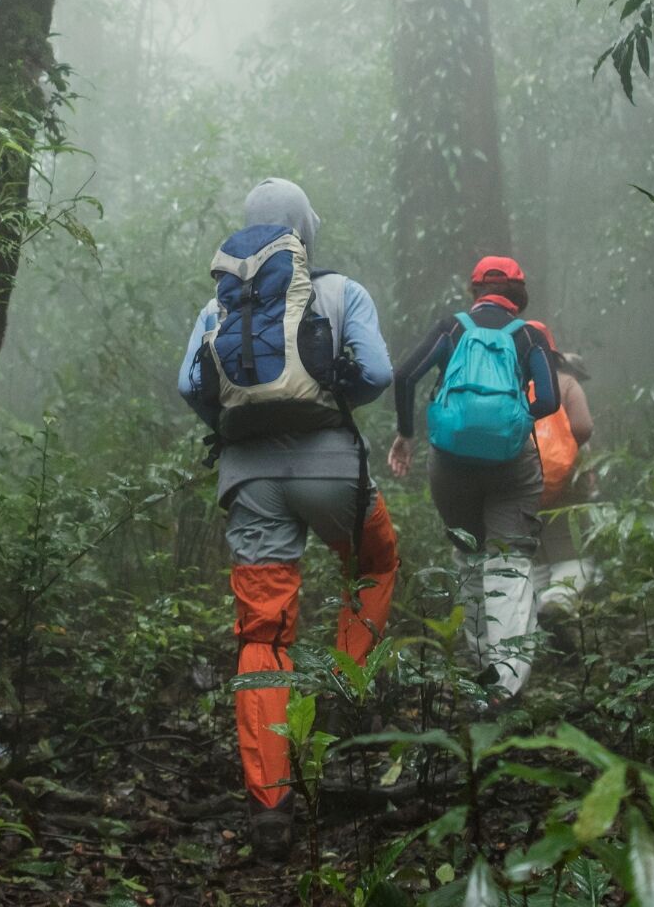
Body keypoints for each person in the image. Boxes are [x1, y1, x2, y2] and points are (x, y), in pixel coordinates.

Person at [176, 177, 398, 859]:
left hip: (250, 480)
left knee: (264, 631)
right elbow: (380, 372)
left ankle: (271, 802)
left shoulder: (217, 306)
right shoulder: (339, 291)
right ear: (307, 228)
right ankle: (343, 686)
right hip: (333, 469)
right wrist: (331, 403)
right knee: (375, 562)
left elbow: (190, 384)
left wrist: (240, 427)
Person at [386, 255, 559, 699]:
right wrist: (517, 416)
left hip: (450, 461)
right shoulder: (530, 336)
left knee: (469, 555)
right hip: (512, 464)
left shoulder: (452, 327)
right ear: (519, 294)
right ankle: (505, 683)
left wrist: (407, 433)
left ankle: (482, 669)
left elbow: (404, 375)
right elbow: (551, 400)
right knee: (511, 560)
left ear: (476, 290)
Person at [530, 339, 596, 618]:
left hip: (525, 482)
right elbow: (582, 429)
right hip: (565, 487)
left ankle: (529, 615)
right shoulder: (569, 385)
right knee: (573, 555)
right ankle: (558, 601)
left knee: (535, 555)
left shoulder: (526, 384)